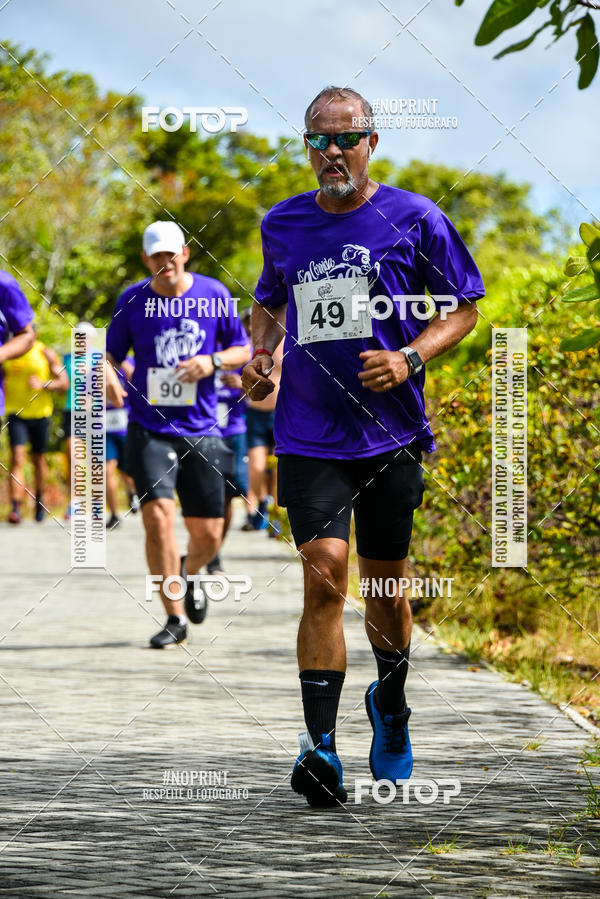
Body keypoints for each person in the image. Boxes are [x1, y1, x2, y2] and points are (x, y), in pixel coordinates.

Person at [241, 86, 484, 807]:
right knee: (324, 576)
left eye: (346, 138)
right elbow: (269, 300)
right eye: (318, 139)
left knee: (385, 587)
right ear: (306, 145)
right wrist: (262, 353)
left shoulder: (415, 217)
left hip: (391, 432)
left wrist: (410, 357)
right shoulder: (282, 223)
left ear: (372, 141)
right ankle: (319, 745)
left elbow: (465, 306)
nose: (332, 152)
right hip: (310, 431)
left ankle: (393, 701)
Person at [106, 220, 250, 647]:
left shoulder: (215, 295)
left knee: (209, 530)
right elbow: (110, 354)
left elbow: (242, 348)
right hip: (149, 428)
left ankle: (188, 571)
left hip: (203, 428)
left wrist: (214, 363)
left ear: (184, 252)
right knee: (157, 519)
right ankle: (173, 617)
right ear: (145, 259)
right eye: (155, 256)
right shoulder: (132, 300)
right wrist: (108, 373)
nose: (164, 262)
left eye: (171, 254)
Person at [3, 332, 68, 523]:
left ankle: (39, 501)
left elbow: (63, 384)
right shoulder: (7, 352)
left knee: (38, 459)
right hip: (16, 413)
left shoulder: (44, 352)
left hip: (41, 414)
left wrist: (43, 384)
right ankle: (16, 507)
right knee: (17, 457)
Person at [206, 351, 249, 573]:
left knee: (230, 495)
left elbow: (264, 394)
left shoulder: (243, 355)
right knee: (210, 497)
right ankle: (207, 551)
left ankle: (214, 552)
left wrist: (244, 385)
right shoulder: (201, 350)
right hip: (205, 434)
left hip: (234, 433)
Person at [242, 341, 283, 533]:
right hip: (256, 415)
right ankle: (262, 502)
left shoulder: (289, 337)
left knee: (277, 470)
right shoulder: (253, 342)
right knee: (256, 467)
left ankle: (276, 516)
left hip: (281, 415)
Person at [106, 355, 139, 529]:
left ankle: (132, 492)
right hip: (104, 427)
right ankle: (113, 514)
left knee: (128, 471)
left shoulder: (131, 360)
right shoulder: (98, 364)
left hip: (125, 424)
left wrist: (123, 364)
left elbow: (138, 381)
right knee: (106, 469)